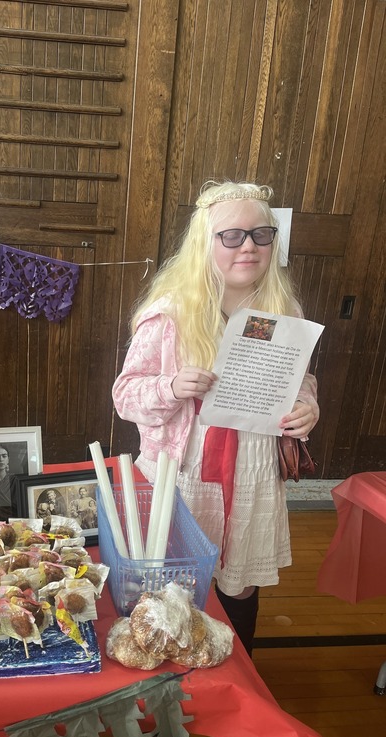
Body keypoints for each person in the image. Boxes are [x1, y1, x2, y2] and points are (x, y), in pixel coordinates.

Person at [112, 180, 320, 656]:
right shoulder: (170, 314)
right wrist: (171, 387)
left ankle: (236, 675)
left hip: (252, 473)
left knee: (241, 586)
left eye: (260, 235)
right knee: (172, 587)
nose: (248, 245)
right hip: (181, 474)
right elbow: (125, 396)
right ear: (205, 243)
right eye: (232, 235)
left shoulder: (281, 310)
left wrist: (308, 403)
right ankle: (170, 683)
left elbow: (300, 379)